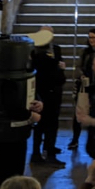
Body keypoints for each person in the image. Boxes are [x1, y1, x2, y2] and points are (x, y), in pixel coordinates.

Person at [31, 26, 66, 165]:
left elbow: (59, 65)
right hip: (43, 91)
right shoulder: (36, 51)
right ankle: (37, 153)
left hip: (55, 91)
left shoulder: (56, 49)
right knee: (41, 125)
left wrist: (60, 67)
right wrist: (57, 65)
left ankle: (49, 148)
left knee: (52, 123)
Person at [68, 29, 95, 150]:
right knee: (78, 113)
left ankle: (94, 139)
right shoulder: (84, 52)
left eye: (93, 37)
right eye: (90, 37)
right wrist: (81, 75)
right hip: (84, 85)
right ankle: (75, 139)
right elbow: (78, 67)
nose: (91, 40)